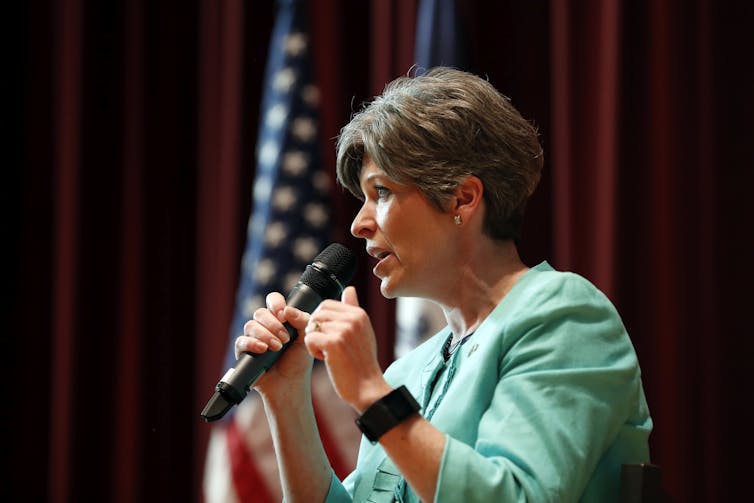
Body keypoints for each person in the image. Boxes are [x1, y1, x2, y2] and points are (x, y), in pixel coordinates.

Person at [237, 67, 652, 503]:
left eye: (381, 193)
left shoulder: (566, 317)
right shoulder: (408, 371)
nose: (359, 225)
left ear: (462, 198)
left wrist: (370, 394)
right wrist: (286, 400)